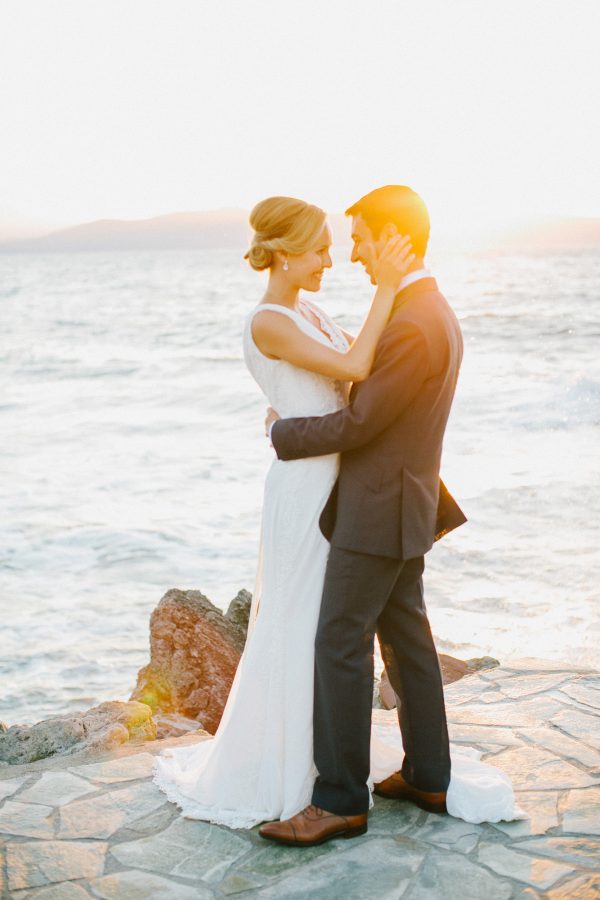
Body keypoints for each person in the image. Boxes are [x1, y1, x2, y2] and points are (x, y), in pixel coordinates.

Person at [153, 191, 524, 837]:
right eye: (330, 245)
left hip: (375, 506)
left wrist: (284, 431)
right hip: (380, 500)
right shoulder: (421, 309)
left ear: (390, 238)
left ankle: (341, 799)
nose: (348, 255)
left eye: (356, 240)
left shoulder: (410, 318)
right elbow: (358, 390)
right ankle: (427, 775)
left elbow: (360, 420)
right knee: (405, 639)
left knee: (339, 642)